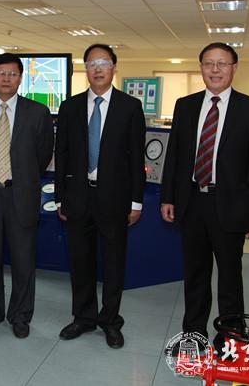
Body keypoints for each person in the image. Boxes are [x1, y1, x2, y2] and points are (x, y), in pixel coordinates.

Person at [160, 42, 249, 353]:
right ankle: (193, 334)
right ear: (201, 68)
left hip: (231, 204)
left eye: (222, 63)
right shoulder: (185, 105)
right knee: (195, 274)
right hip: (192, 201)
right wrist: (168, 197)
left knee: (230, 276)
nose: (215, 70)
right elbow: (174, 156)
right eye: (209, 63)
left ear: (234, 68)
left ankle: (230, 337)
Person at [54, 43, 145, 349]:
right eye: (92, 64)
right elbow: (62, 154)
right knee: (80, 262)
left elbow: (136, 159)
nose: (98, 69)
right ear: (86, 70)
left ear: (114, 68)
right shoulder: (70, 107)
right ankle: (83, 317)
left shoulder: (130, 107)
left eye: (103, 63)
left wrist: (136, 202)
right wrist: (61, 198)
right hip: (78, 198)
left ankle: (110, 321)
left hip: (115, 200)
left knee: (114, 263)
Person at [0, 53, 54, 339]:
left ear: (20, 78)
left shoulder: (37, 112)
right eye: (1, 73)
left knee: (23, 261)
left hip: (21, 195)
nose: (6, 78)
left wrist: (23, 177)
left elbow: (43, 154)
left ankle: (20, 316)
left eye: (12, 74)